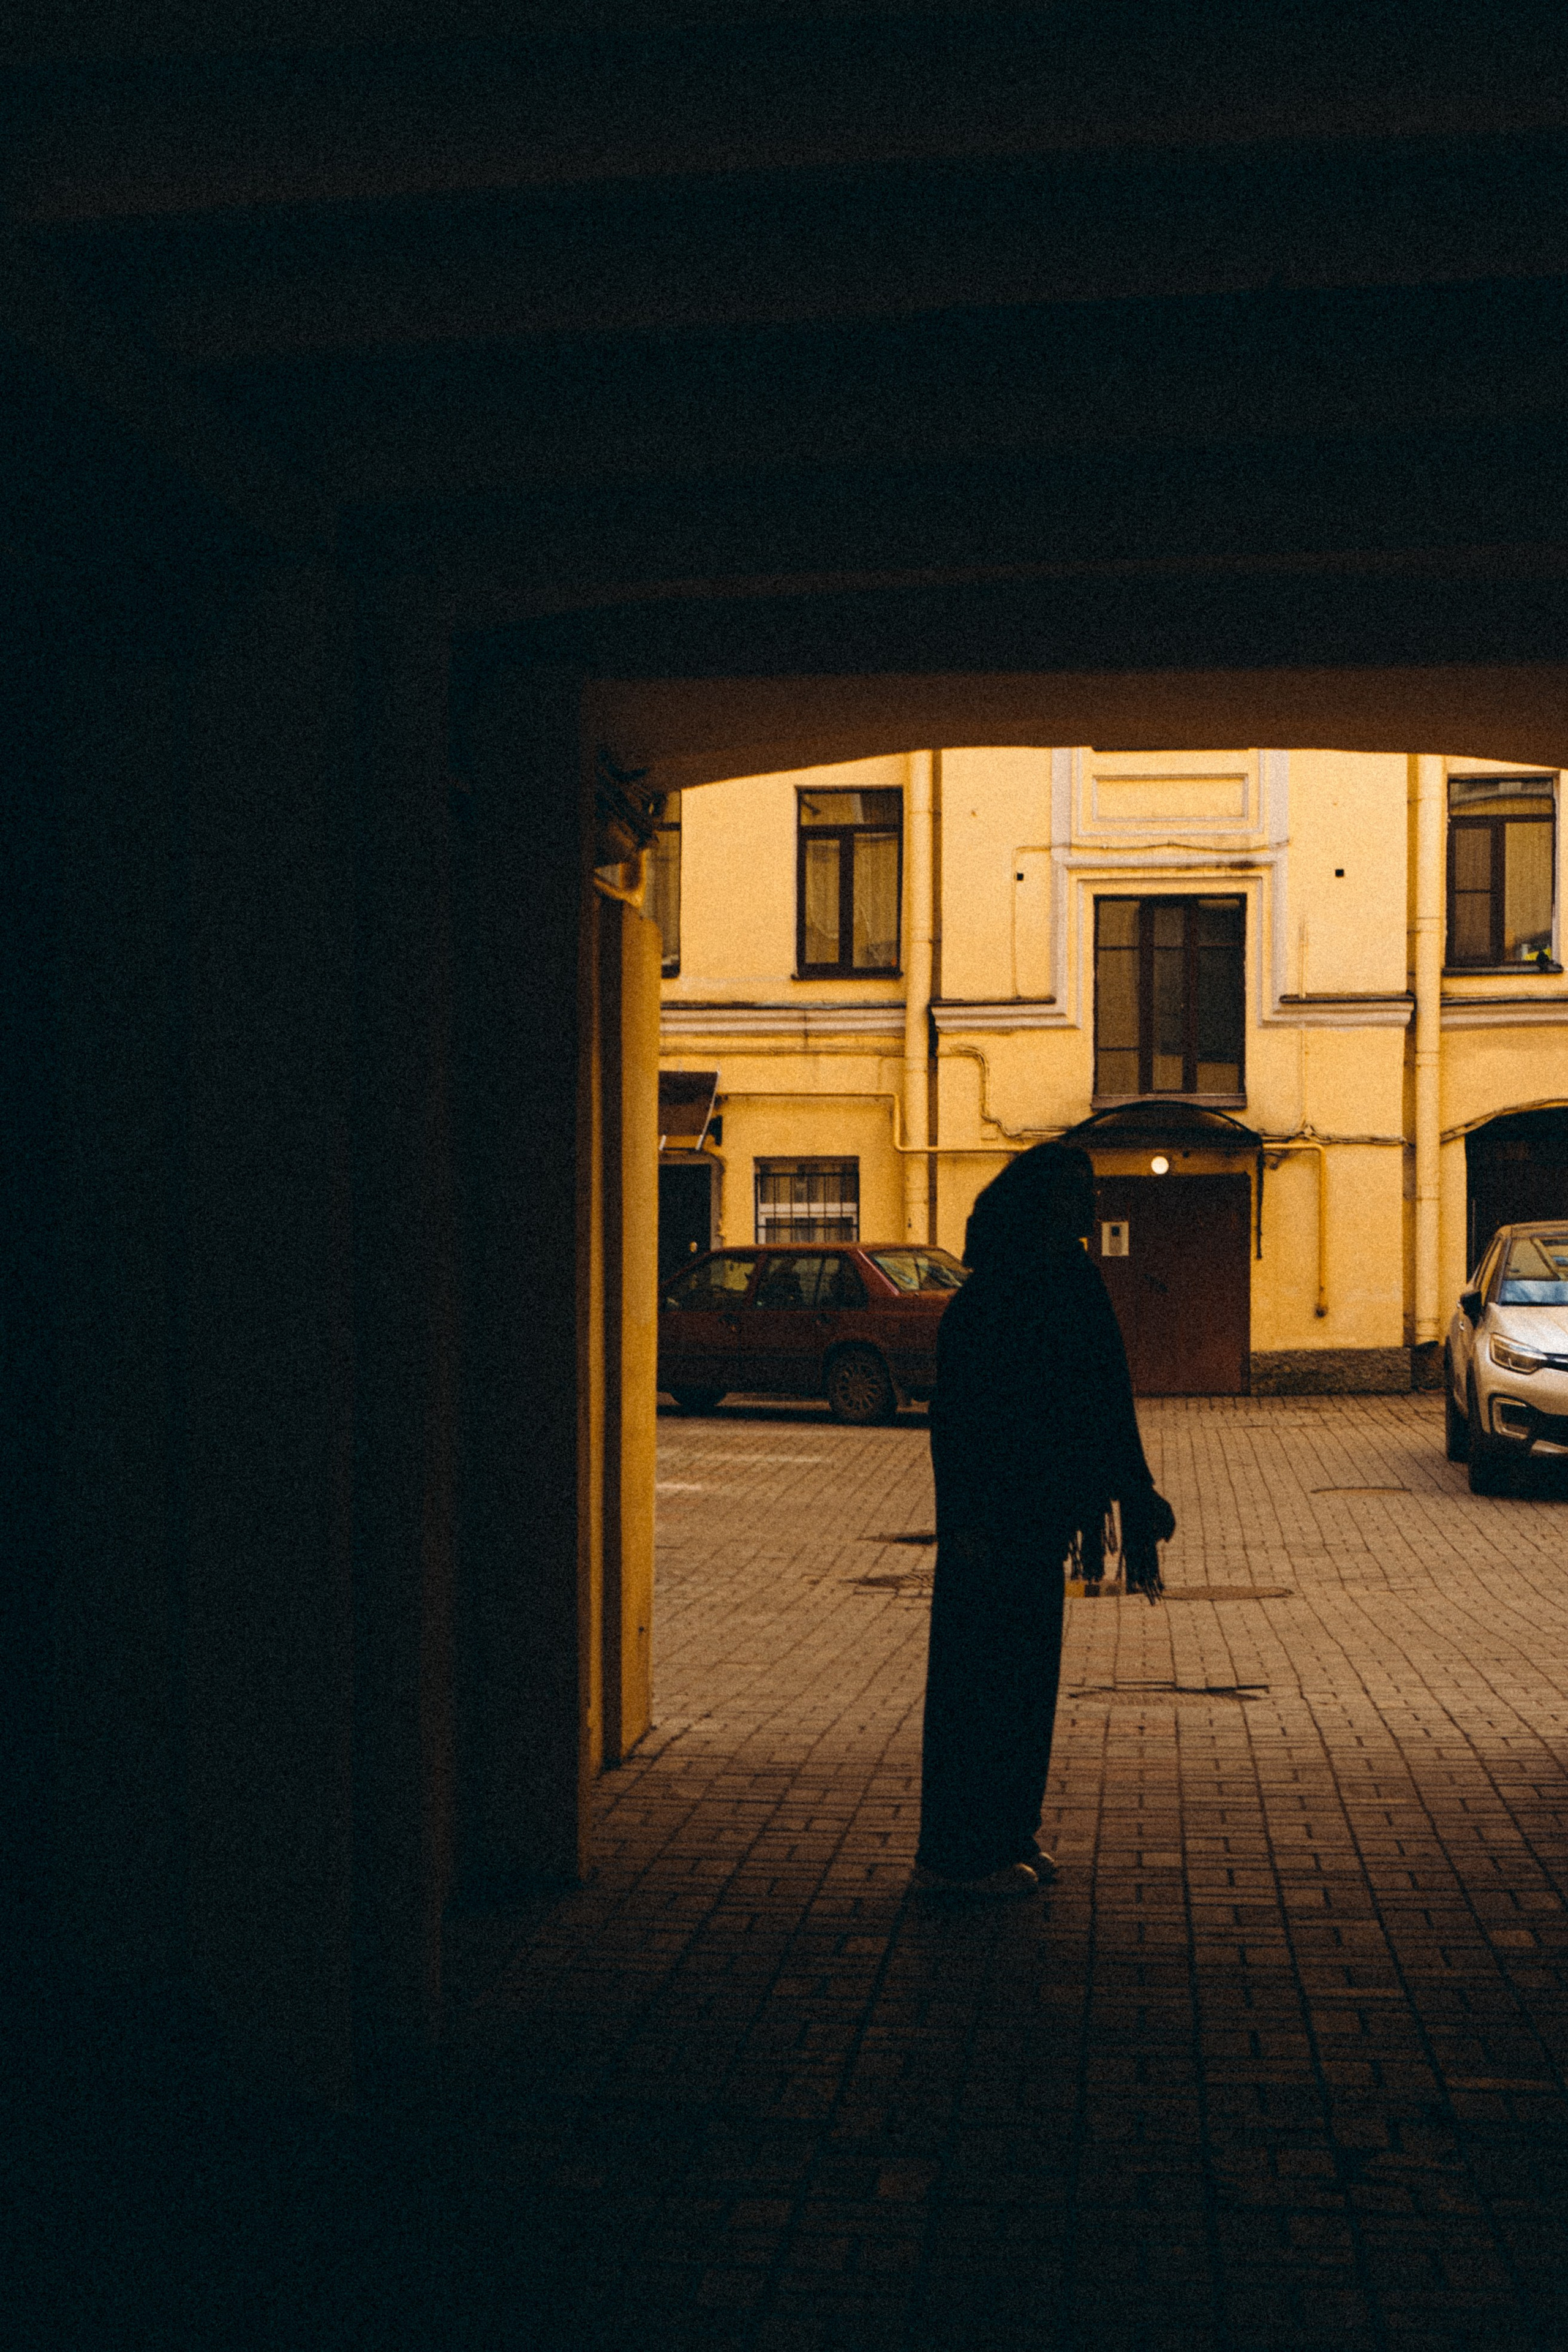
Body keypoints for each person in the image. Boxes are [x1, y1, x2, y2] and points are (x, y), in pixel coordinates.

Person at [913, 1144, 1176, 1897]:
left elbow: (1101, 1396)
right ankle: (958, 1856)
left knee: (1023, 1685)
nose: (1086, 1206)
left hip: (1031, 1521)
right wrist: (960, 1521)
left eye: (1088, 1191)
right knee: (982, 1690)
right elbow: (958, 1422)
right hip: (990, 1526)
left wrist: (1134, 1486)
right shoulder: (999, 1296)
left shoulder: (1061, 1279)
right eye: (1071, 1192)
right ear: (1034, 1203)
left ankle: (1007, 1832)